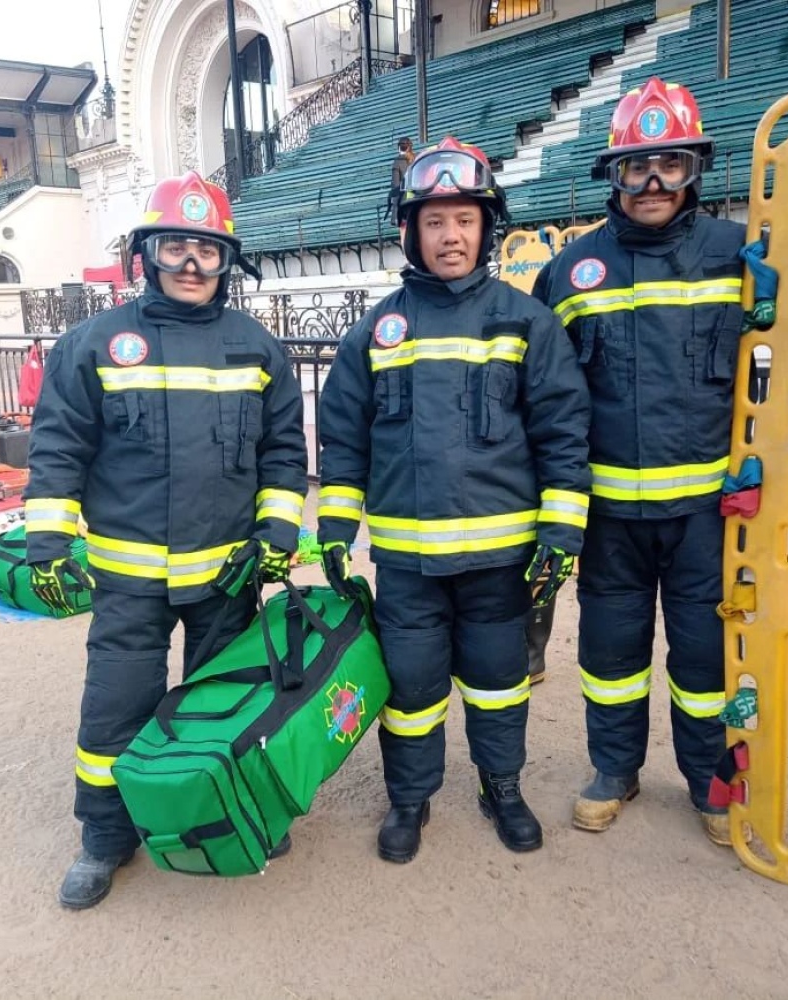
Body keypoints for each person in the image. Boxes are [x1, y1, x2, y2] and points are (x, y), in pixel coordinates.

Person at [24, 170, 309, 909]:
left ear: (228, 260)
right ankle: (105, 839)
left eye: (207, 249)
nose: (191, 262)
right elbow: (57, 452)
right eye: (176, 245)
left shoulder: (258, 349)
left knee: (228, 709)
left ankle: (229, 810)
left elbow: (284, 452)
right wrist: (48, 545)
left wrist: (279, 528)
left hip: (227, 579)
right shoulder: (93, 345)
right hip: (128, 584)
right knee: (114, 714)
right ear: (146, 252)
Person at [318, 137, 591, 863]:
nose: (451, 235)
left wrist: (561, 537)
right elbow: (343, 439)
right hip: (407, 563)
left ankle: (502, 786)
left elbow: (564, 432)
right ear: (411, 231)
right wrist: (337, 530)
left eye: (465, 220)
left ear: (486, 228)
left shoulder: (526, 322)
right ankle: (411, 799)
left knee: (500, 683)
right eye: (435, 221)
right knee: (411, 691)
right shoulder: (377, 331)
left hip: (500, 563)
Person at [532, 77, 747, 846]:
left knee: (703, 661)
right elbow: (544, 400)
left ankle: (709, 785)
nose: (653, 183)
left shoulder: (740, 257)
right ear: (612, 175)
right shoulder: (570, 273)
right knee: (610, 656)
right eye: (636, 167)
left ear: (697, 169)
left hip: (705, 519)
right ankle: (613, 769)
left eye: (672, 165)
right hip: (609, 517)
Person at [388, 136, 414, 225]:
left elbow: (396, 186)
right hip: (417, 198)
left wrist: (394, 216)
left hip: (404, 200)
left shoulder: (397, 162)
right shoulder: (417, 158)